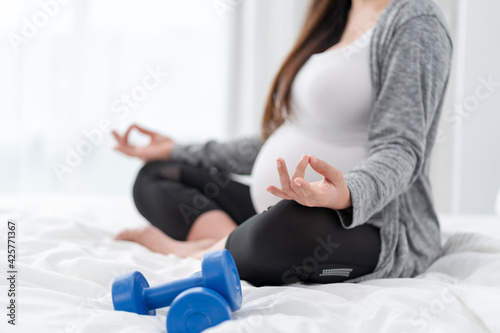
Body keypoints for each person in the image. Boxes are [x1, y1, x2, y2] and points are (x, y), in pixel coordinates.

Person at [112, 0, 452, 287]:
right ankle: (227, 246)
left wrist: (344, 193)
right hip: (276, 205)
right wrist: (176, 151)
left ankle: (199, 251)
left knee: (288, 225)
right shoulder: (335, 10)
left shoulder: (415, 21)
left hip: (370, 226)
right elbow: (283, 138)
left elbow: (401, 149)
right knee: (158, 174)